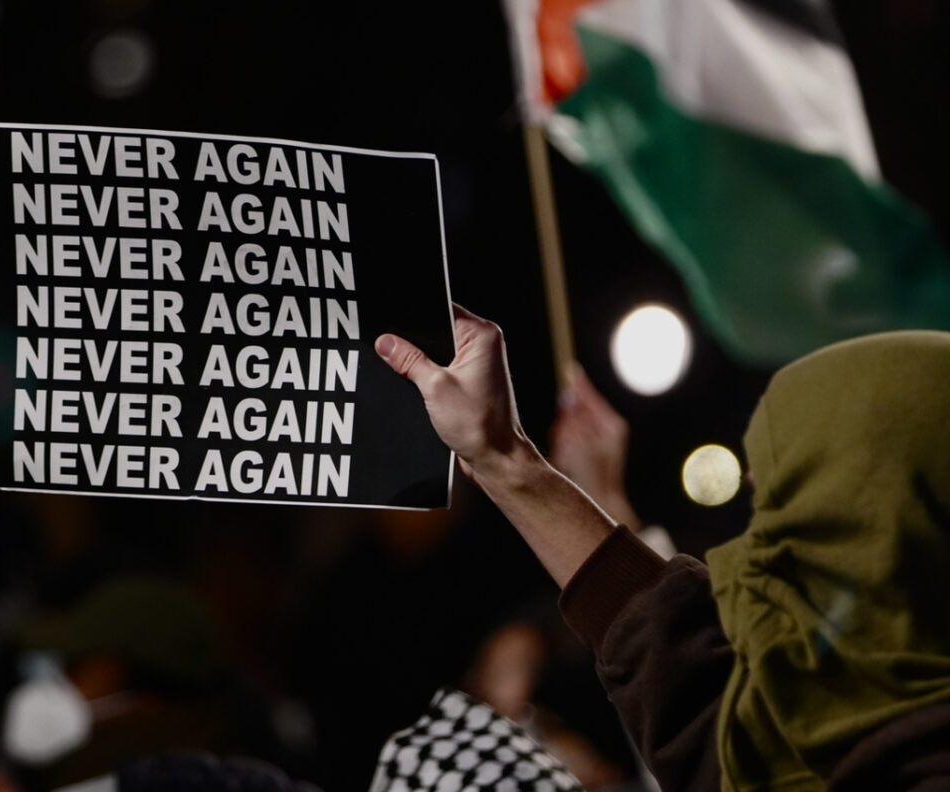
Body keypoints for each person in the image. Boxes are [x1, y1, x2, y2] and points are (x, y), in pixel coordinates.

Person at [374, 305, 950, 790]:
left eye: (790, 508)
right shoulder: (825, 747)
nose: (751, 546)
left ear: (886, 538)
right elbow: (707, 708)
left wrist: (508, 461)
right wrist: (508, 461)